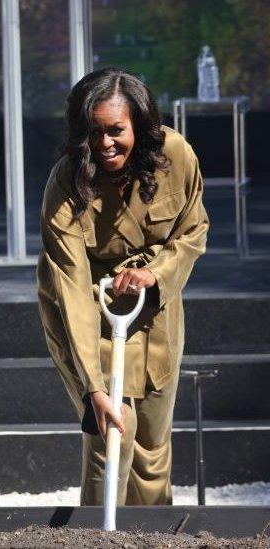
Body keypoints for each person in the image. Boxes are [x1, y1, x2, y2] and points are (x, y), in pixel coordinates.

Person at [37, 67, 209, 505]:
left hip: (154, 308)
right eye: (93, 132)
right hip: (89, 313)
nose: (105, 144)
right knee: (110, 437)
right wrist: (92, 385)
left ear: (140, 125)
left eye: (116, 130)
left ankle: (152, 533)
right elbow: (71, 287)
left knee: (151, 443)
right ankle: (99, 535)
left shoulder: (176, 155)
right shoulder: (64, 182)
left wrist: (156, 273)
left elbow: (193, 230)